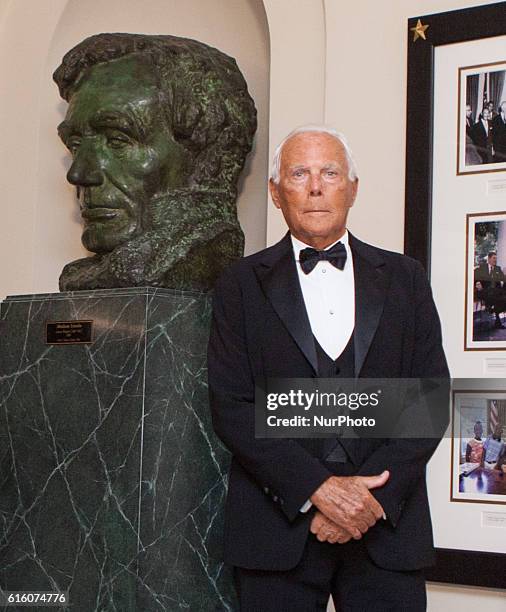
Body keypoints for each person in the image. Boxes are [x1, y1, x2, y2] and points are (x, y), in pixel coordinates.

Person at [208, 125, 449, 611]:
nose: (316, 187)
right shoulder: (238, 284)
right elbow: (232, 406)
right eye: (299, 173)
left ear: (352, 188)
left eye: (330, 172)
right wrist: (316, 489)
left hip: (386, 524)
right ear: (276, 193)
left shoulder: (406, 277)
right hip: (277, 530)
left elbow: (428, 397)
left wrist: (366, 499)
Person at [53, 33, 256, 291]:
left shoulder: (193, 259)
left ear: (202, 154)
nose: (78, 173)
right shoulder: (94, 273)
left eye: (117, 140)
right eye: (75, 146)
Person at [474, 252, 506, 328]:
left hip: (496, 292)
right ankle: (495, 315)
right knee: (500, 299)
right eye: (494, 258)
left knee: (502, 298)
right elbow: (475, 276)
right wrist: (477, 283)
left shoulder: (498, 268)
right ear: (489, 259)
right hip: (485, 291)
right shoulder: (482, 267)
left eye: (496, 258)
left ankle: (492, 311)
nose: (495, 260)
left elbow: (503, 279)